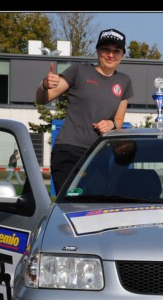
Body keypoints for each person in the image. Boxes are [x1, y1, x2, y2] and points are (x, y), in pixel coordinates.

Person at [36, 28, 134, 192]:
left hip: (99, 153)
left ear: (122, 55)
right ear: (97, 51)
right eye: (106, 50)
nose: (111, 55)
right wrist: (44, 85)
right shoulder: (79, 71)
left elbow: (119, 121)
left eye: (116, 51)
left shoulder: (124, 81)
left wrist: (111, 124)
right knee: (70, 204)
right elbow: (42, 99)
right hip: (69, 150)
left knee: (96, 206)